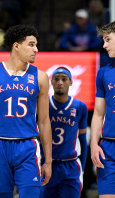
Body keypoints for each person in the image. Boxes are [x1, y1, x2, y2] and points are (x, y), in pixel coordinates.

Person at [0, 24, 52, 198]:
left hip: (27, 145)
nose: (36, 49)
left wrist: (48, 160)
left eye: (36, 45)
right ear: (16, 46)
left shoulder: (40, 77)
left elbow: (44, 121)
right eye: (31, 44)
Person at [40, 67, 88, 198]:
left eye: (64, 79)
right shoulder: (42, 105)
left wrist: (82, 168)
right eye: (56, 79)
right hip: (47, 164)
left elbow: (83, 141)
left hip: (71, 165)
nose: (60, 82)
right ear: (52, 82)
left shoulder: (80, 107)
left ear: (71, 82)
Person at [91, 21, 115, 197]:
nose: (104, 45)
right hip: (108, 147)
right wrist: (93, 144)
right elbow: (98, 114)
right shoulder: (103, 72)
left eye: (108, 40)